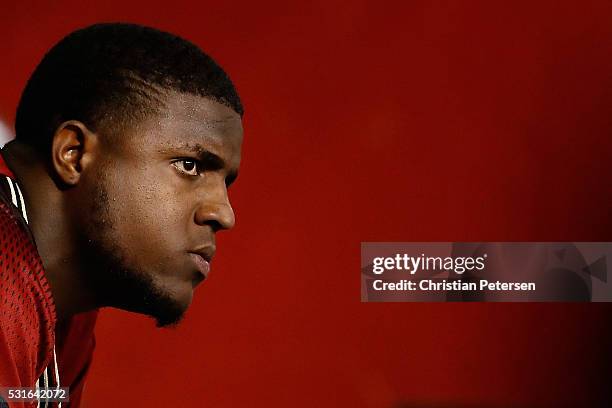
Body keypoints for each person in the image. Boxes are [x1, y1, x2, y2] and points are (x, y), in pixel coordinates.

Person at [0, 22, 244, 407]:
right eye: (190, 165)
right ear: (74, 153)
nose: (223, 213)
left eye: (226, 181)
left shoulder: (69, 314)